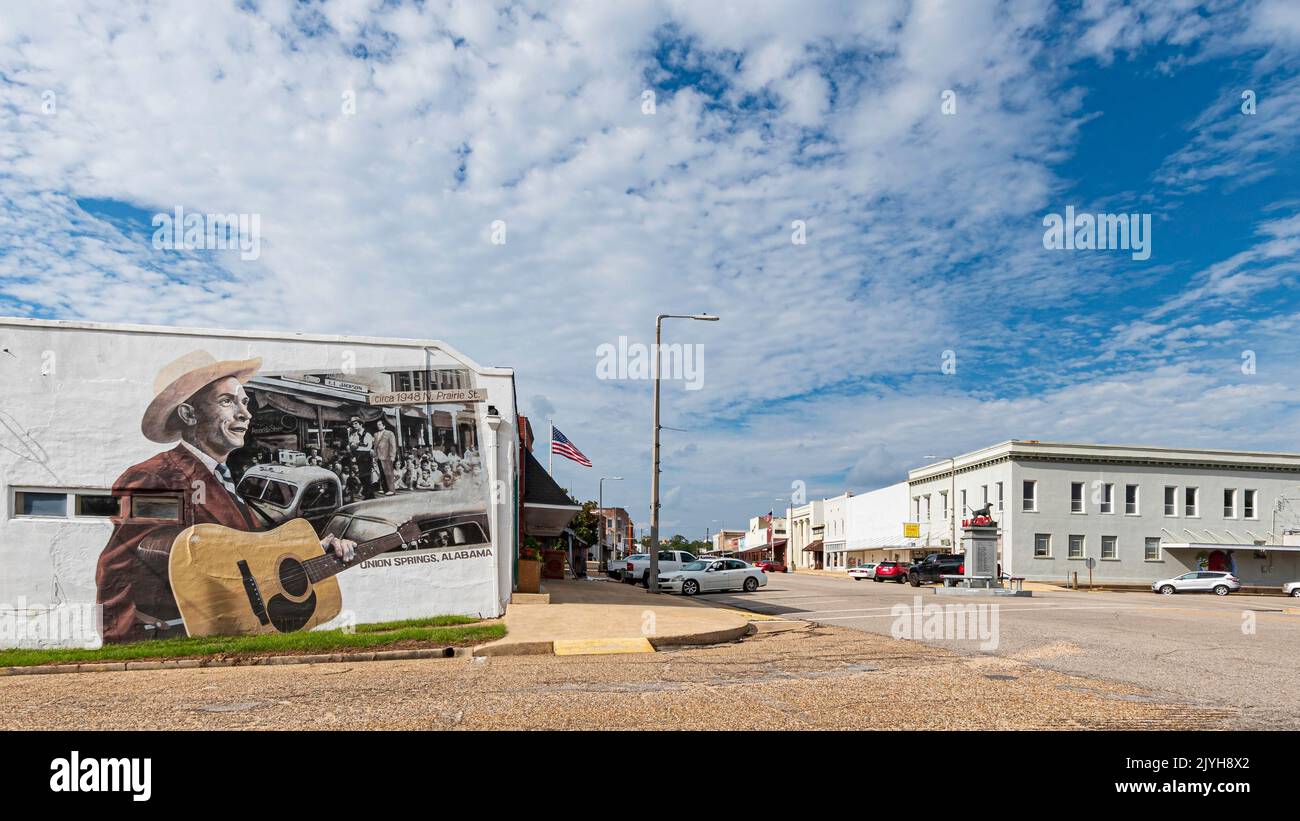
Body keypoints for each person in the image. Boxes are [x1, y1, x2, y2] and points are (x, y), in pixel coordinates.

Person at [94, 351, 357, 644]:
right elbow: (117, 568)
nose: (245, 413)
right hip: (181, 643)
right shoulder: (155, 478)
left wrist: (313, 550)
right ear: (189, 414)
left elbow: (254, 555)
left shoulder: (225, 482)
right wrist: (126, 645)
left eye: (244, 402)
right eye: (227, 401)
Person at [347, 416, 376, 499]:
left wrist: (357, 445)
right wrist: (352, 446)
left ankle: (370, 495)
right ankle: (367, 494)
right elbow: (351, 445)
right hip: (358, 457)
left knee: (366, 476)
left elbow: (368, 447)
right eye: (353, 424)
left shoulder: (367, 434)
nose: (354, 426)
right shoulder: (353, 434)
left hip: (366, 457)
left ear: (361, 424)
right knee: (361, 476)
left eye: (356, 424)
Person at [373, 417, 398, 496]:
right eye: (377, 425)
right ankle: (385, 489)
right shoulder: (376, 434)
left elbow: (393, 445)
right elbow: (375, 446)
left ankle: (392, 490)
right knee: (382, 474)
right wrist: (375, 455)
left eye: (380, 424)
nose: (378, 426)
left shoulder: (389, 433)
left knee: (389, 474)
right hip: (379, 456)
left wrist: (392, 456)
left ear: (384, 425)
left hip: (387, 456)